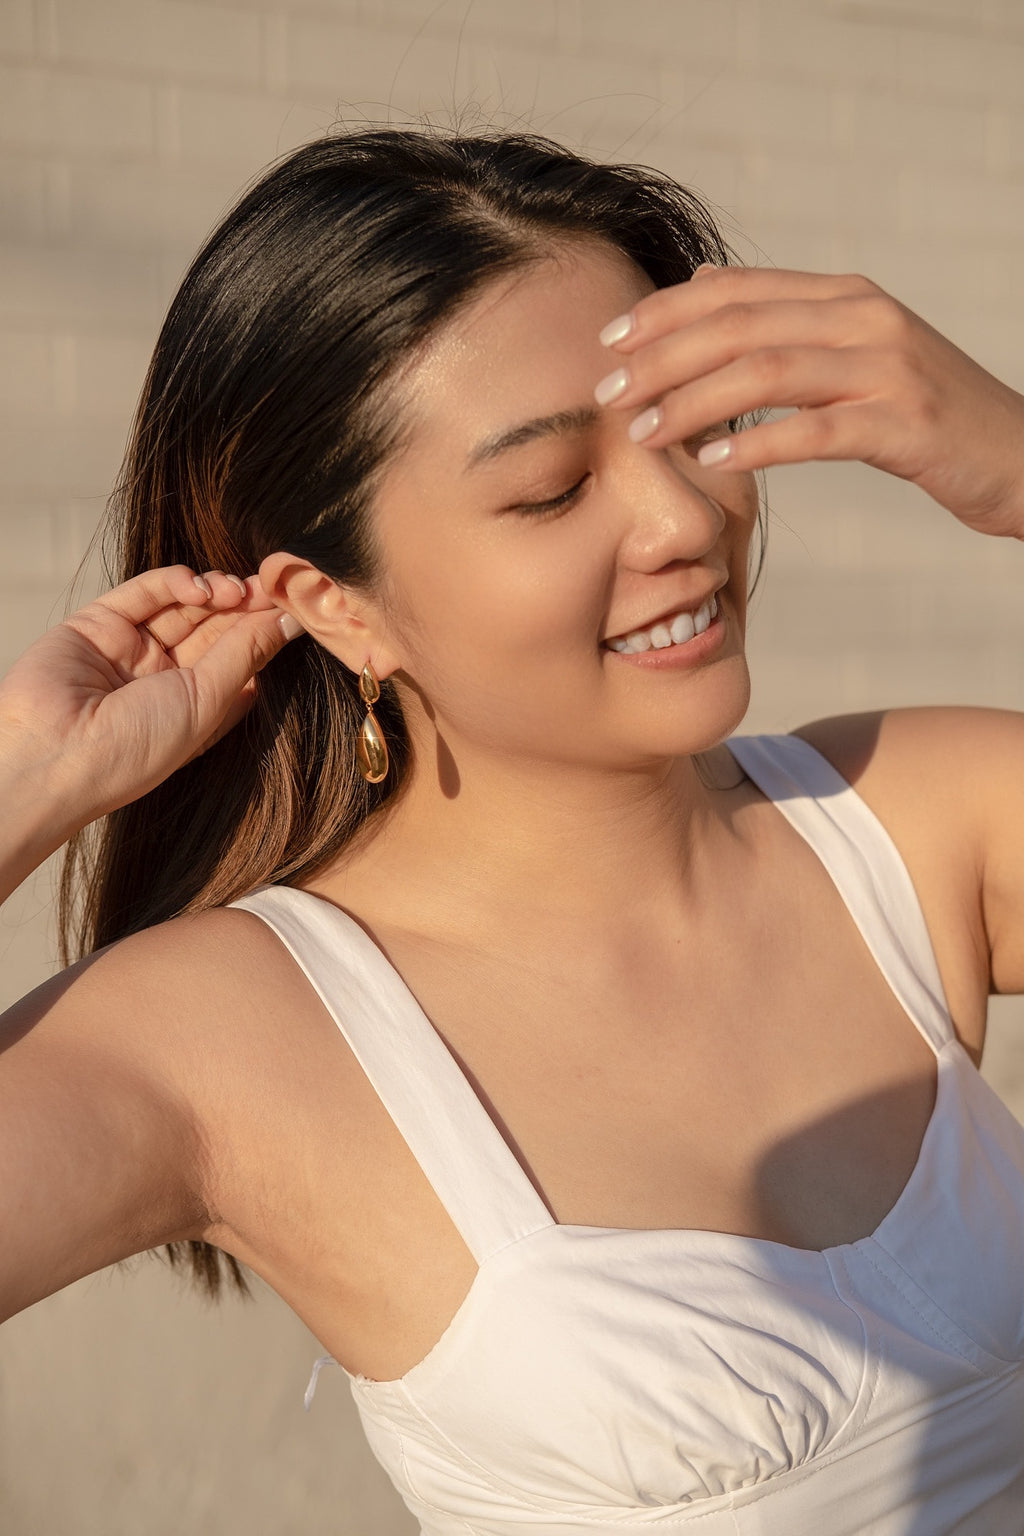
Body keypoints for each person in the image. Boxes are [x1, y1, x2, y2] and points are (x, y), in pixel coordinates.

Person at [1, 126, 1023, 1535]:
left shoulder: (913, 822)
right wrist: (22, 787)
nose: (683, 518)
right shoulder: (240, 1030)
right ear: (338, 607)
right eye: (551, 492)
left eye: (696, 434)